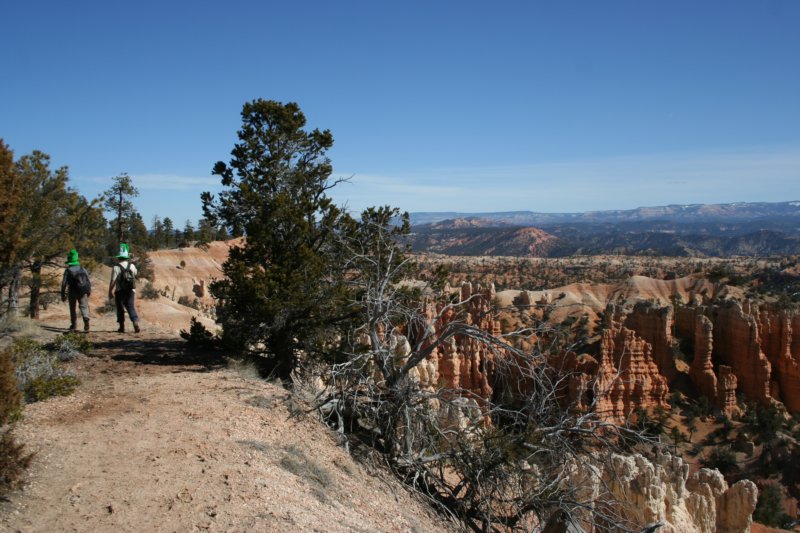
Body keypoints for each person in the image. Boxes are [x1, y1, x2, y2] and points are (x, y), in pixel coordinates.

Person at [108, 243, 141, 333]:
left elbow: (113, 281)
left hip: (120, 291)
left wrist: (110, 291)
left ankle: (122, 327)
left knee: (120, 308)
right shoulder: (132, 266)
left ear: (119, 257)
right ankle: (135, 322)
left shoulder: (116, 267)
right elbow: (135, 275)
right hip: (131, 290)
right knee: (130, 306)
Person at [61, 249, 92, 332]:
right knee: (84, 306)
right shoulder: (82, 269)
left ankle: (74, 325)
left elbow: (64, 284)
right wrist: (88, 290)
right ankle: (86, 319)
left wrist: (63, 294)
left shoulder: (68, 271)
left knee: (72, 308)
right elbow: (88, 281)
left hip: (72, 291)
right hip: (83, 290)